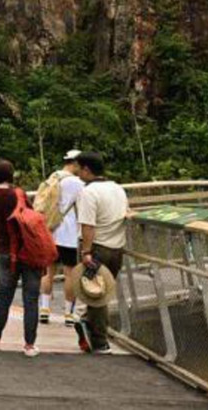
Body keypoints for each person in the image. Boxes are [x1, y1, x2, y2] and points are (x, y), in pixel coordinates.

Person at [0, 159, 42, 357]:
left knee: (4, 297)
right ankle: (29, 346)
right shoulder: (19, 194)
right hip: (28, 251)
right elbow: (31, 216)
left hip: (5, 252)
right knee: (30, 299)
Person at [75, 151, 128, 355]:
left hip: (98, 249)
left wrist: (86, 251)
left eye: (79, 168)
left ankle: (99, 342)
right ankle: (89, 325)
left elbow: (88, 225)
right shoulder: (118, 189)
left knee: (96, 296)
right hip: (117, 249)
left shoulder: (88, 192)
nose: (78, 172)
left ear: (87, 170)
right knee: (101, 293)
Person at [40, 149, 86, 327]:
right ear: (75, 163)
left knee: (48, 272)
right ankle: (68, 313)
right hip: (69, 235)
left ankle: (44, 309)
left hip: (50, 231)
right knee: (70, 274)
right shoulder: (77, 182)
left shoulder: (53, 177)